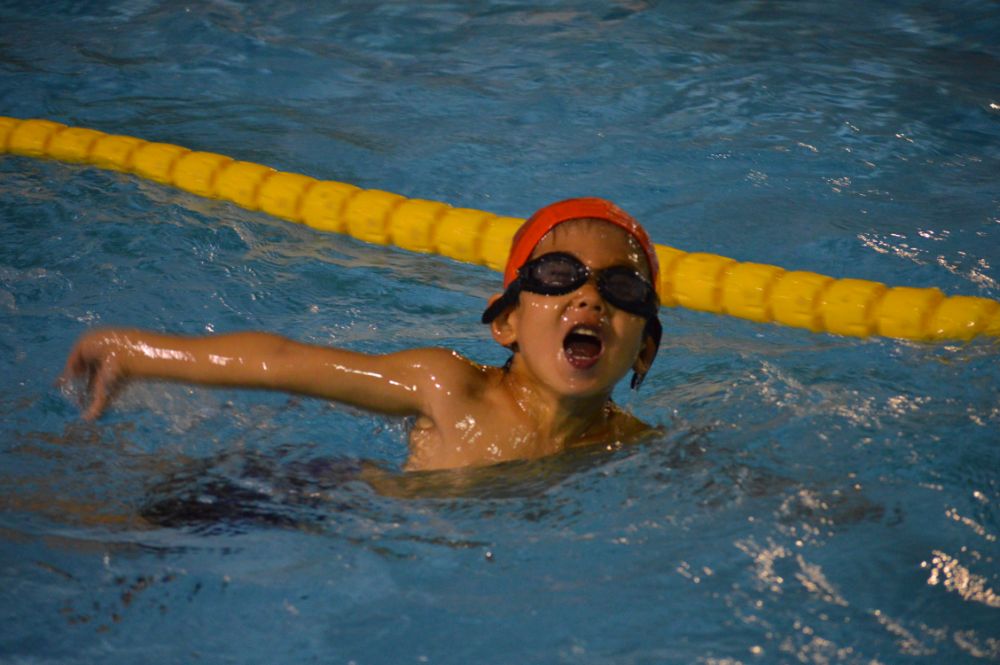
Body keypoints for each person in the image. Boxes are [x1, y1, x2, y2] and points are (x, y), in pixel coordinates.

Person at [61, 197, 663, 472]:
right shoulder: (449, 387)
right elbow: (285, 361)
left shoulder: (630, 447)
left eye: (622, 288)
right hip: (314, 506)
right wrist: (140, 353)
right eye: (558, 275)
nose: (589, 297)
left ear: (646, 350)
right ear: (505, 322)